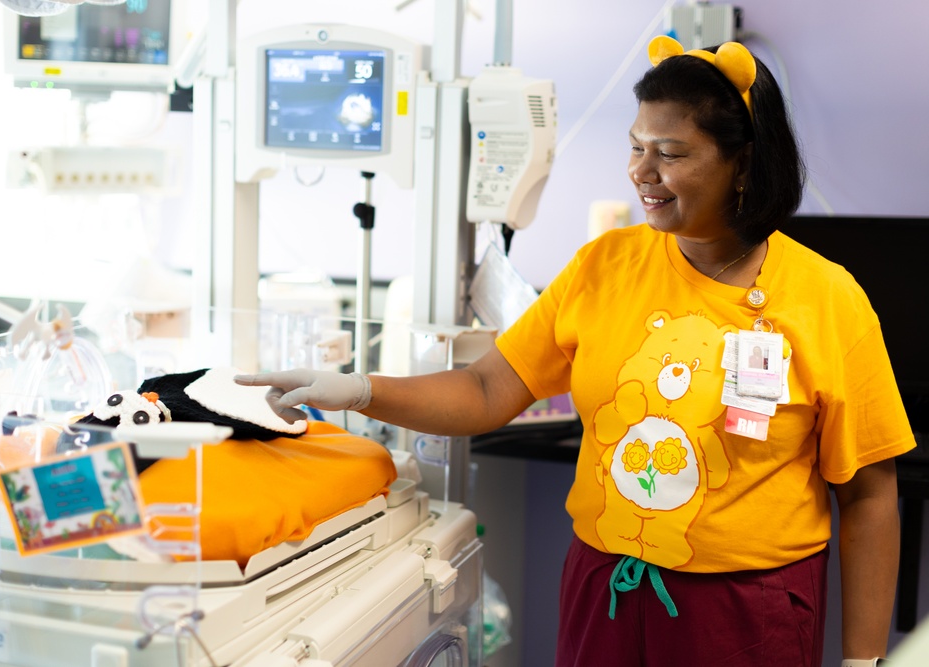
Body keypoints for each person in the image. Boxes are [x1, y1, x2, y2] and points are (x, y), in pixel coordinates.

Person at [236, 35, 915, 667]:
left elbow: (868, 496)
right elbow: (483, 390)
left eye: (670, 153)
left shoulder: (826, 298)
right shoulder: (604, 266)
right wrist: (355, 388)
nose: (640, 172)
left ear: (742, 164)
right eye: (636, 145)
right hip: (608, 590)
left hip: (746, 610)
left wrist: (864, 660)